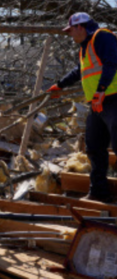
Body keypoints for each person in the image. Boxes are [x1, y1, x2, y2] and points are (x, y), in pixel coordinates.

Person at [47, 12, 117, 202]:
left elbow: (112, 63)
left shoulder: (102, 37)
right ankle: (98, 192)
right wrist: (60, 85)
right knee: (94, 147)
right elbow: (80, 71)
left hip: (112, 99)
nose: (70, 35)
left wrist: (101, 90)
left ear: (80, 27)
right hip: (97, 103)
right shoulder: (85, 48)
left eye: (71, 31)